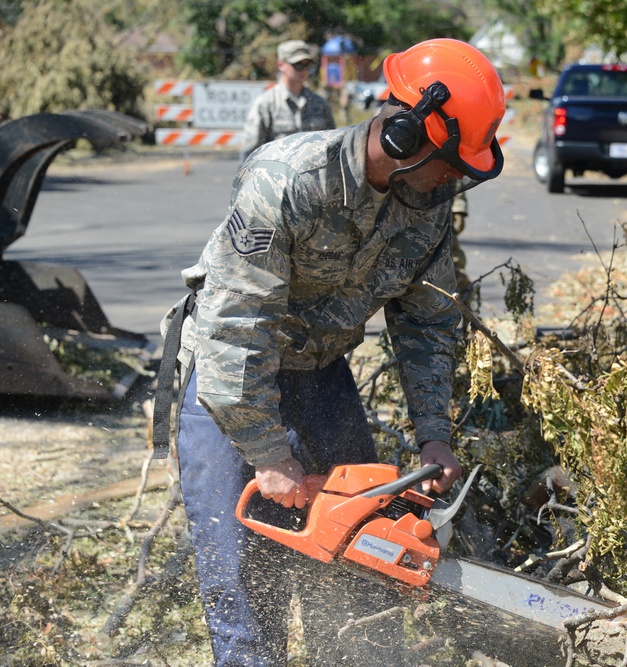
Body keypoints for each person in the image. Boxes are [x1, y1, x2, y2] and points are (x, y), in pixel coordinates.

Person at [161, 38, 507, 665]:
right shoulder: (287, 180)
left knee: (361, 549)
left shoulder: (428, 204)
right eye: (451, 161)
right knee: (239, 578)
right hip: (228, 385)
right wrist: (266, 452)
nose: (455, 177)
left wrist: (434, 433)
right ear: (404, 135)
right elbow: (236, 326)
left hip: (321, 373)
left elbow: (427, 321)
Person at [240, 40, 336, 163]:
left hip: (313, 179)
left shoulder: (319, 104)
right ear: (281, 65)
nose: (303, 70)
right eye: (298, 64)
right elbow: (250, 151)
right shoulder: (266, 103)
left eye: (307, 65)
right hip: (276, 177)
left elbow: (332, 148)